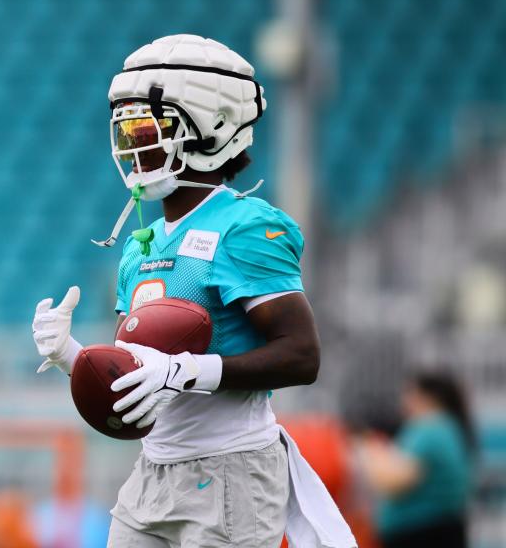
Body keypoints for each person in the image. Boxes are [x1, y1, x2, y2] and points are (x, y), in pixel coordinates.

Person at [31, 35, 357, 547]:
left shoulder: (244, 226)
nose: (133, 146)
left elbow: (302, 356)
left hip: (232, 473)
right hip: (154, 471)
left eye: (148, 129)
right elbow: (139, 375)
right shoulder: (141, 245)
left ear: (214, 128)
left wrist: (189, 370)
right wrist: (71, 356)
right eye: (127, 130)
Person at [357, 370, 475, 548]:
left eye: (409, 392)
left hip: (423, 535)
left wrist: (368, 449)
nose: (404, 400)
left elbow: (393, 482)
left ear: (425, 396)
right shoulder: (447, 426)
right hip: (437, 531)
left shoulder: (430, 428)